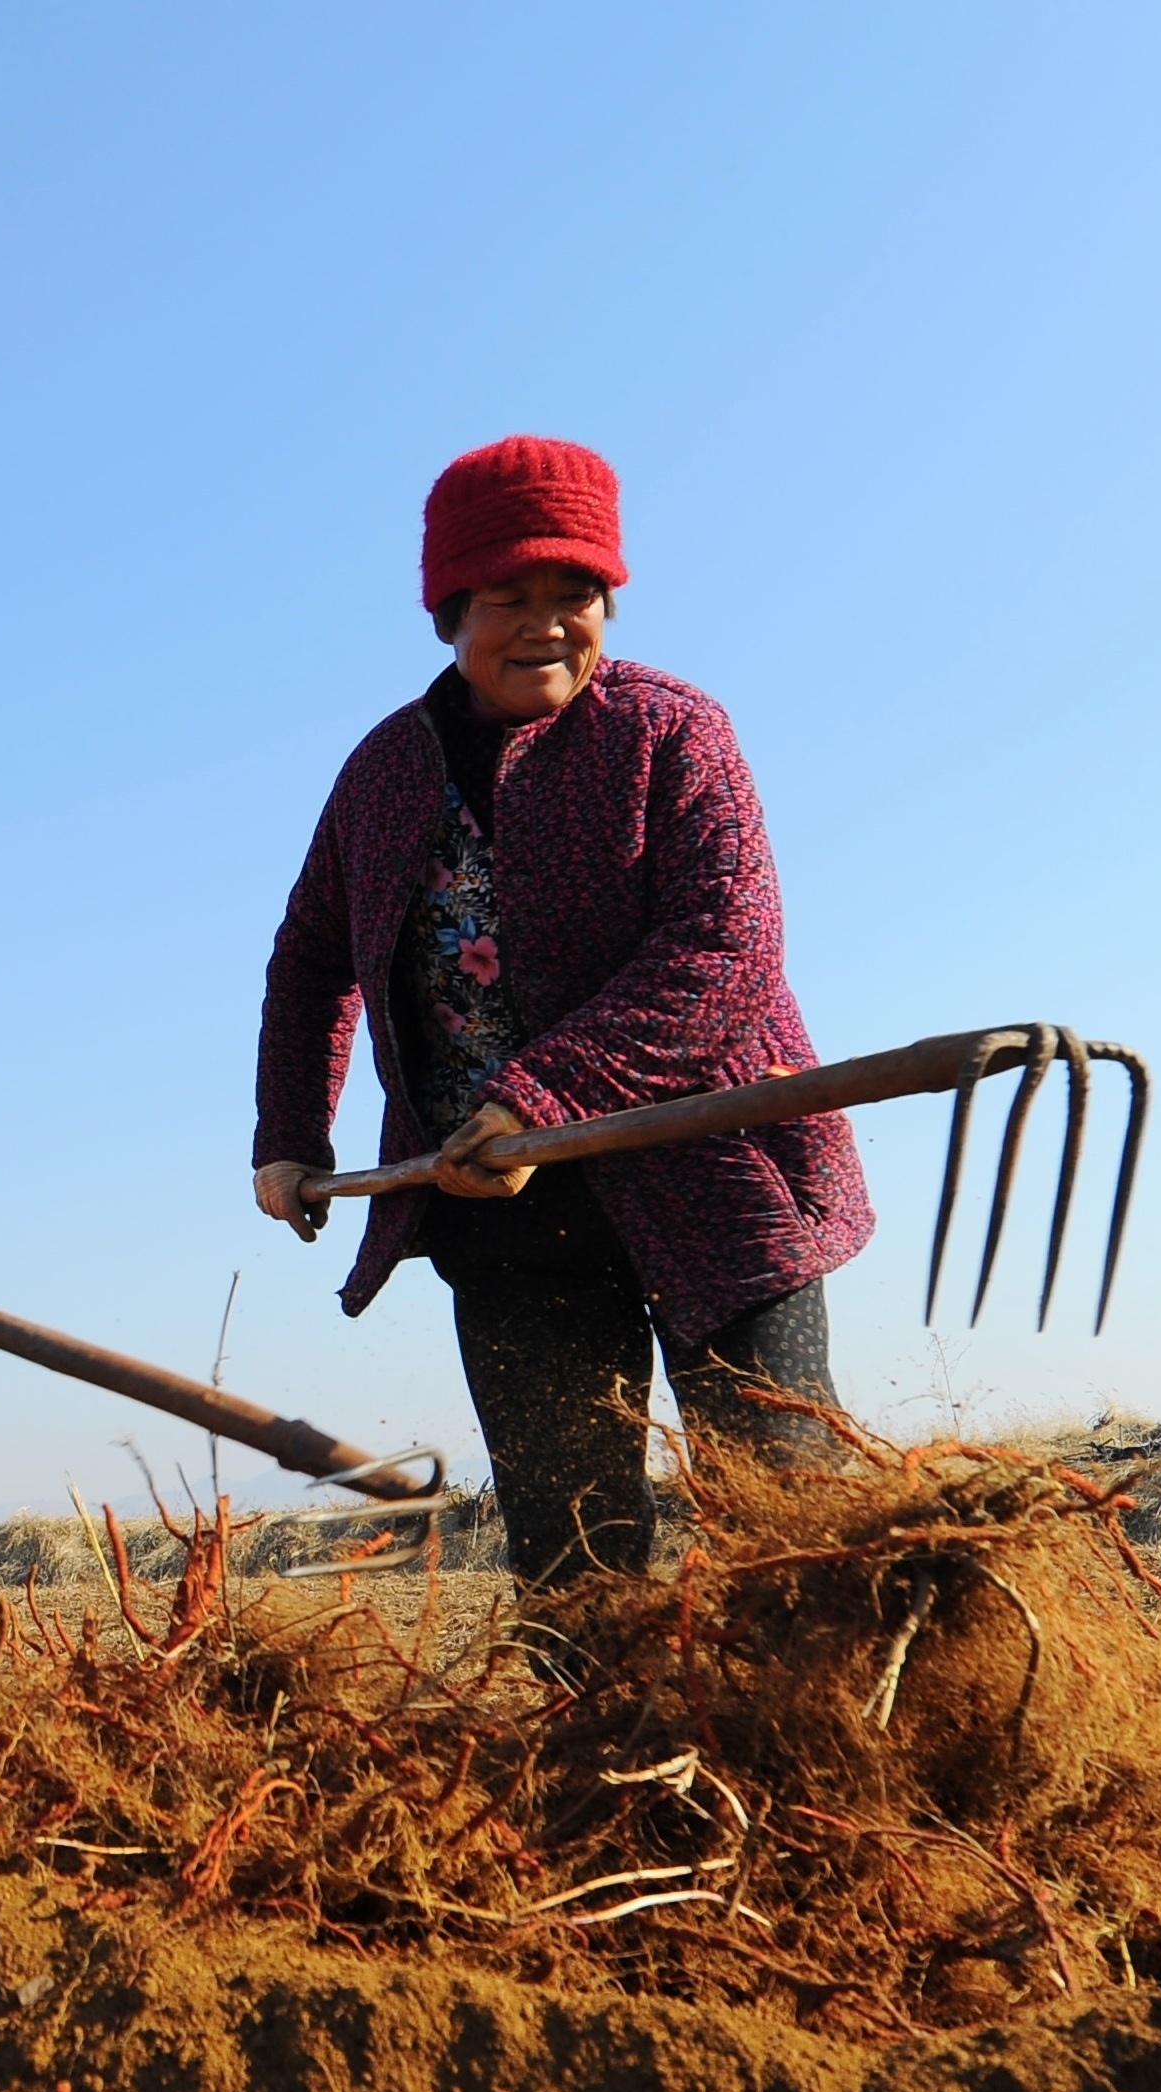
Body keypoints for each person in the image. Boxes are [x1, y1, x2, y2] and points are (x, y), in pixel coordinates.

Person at [252, 437, 870, 1593]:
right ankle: (614, 1760)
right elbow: (309, 957)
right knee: (572, 1545)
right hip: (500, 1206)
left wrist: (536, 1095)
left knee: (792, 1516)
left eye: (574, 595)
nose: (546, 624)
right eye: (508, 598)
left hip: (715, 1174)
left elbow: (723, 947)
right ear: (448, 614)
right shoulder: (383, 776)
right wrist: (291, 1130)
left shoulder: (673, 732)